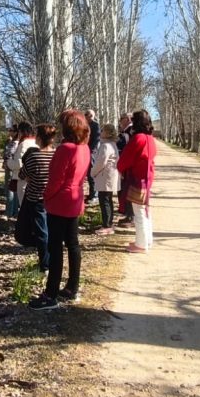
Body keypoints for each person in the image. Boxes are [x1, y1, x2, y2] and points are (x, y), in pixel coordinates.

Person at [30, 110, 91, 310]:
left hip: (60, 201)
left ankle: (51, 294)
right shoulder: (84, 148)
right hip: (75, 199)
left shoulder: (65, 149)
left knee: (55, 247)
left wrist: (47, 196)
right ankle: (73, 287)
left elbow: (55, 180)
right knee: (73, 244)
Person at [116, 110, 158, 254]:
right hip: (147, 177)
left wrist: (120, 168)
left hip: (137, 178)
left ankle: (141, 245)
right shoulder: (150, 138)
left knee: (139, 211)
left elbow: (125, 159)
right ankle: (147, 240)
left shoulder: (138, 138)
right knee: (145, 210)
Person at [18, 123, 56, 273]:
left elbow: (22, 174)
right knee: (48, 230)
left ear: (39, 138)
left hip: (35, 198)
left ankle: (45, 264)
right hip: (52, 197)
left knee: (40, 232)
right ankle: (49, 258)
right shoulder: (56, 154)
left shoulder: (34, 156)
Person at [90, 123, 120, 235]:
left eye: (102, 130)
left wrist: (93, 172)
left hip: (105, 176)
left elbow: (100, 162)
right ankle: (108, 223)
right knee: (108, 199)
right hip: (109, 175)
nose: (101, 132)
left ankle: (107, 225)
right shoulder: (112, 144)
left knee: (104, 201)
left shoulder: (106, 146)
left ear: (107, 133)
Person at [7, 122, 37, 206]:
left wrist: (9, 162)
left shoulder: (24, 143)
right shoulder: (35, 141)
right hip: (32, 178)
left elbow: (19, 163)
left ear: (21, 131)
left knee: (24, 204)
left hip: (23, 178)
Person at [2, 126, 20, 218]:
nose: (9, 132)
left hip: (10, 168)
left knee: (10, 190)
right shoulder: (19, 143)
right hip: (15, 169)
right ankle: (15, 211)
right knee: (15, 189)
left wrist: (5, 162)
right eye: (9, 130)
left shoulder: (14, 143)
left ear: (16, 132)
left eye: (11, 131)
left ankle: (9, 212)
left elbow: (7, 155)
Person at [85, 109, 101, 202]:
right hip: (86, 150)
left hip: (92, 152)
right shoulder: (85, 125)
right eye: (86, 114)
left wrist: (90, 150)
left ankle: (95, 195)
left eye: (89, 115)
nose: (87, 116)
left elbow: (96, 139)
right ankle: (92, 194)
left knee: (92, 173)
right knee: (88, 174)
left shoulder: (95, 125)